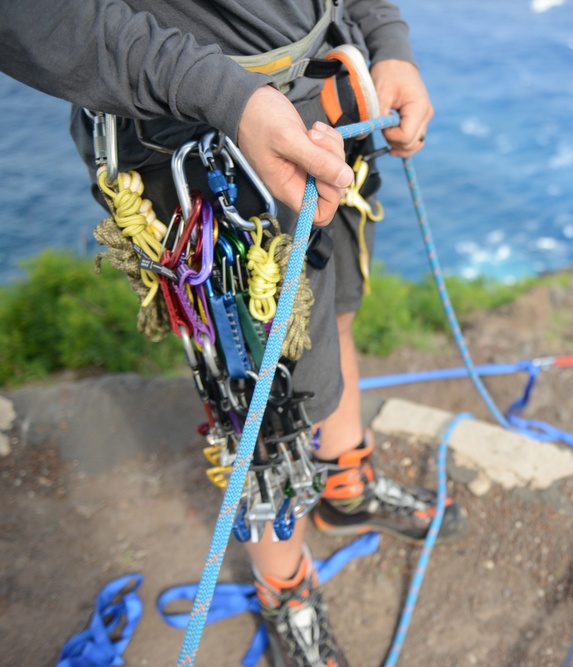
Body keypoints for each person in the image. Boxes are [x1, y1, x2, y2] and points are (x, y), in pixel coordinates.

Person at [0, 2, 465, 665]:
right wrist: (225, 95)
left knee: (336, 304)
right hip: (196, 141)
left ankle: (344, 482)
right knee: (258, 396)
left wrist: (387, 41)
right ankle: (283, 585)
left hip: (331, 94)